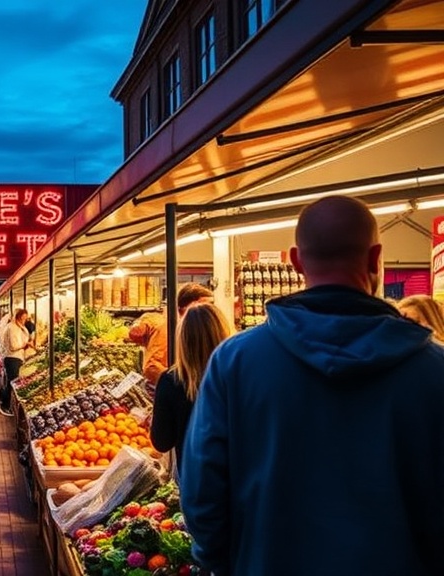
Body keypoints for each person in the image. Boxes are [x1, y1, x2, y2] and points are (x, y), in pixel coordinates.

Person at [181, 196, 444, 576]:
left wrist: (226, 561)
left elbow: (202, 492)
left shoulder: (235, 362)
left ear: (296, 261)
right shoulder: (433, 371)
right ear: (375, 259)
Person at [148, 303, 231, 477]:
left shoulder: (171, 381)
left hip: (194, 477)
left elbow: (162, 442)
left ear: (182, 339)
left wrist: (154, 418)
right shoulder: (240, 375)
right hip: (239, 473)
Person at [127, 283, 214, 396]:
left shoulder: (193, 329)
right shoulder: (167, 327)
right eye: (205, 305)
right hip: (169, 390)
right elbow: (151, 366)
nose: (209, 311)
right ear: (185, 308)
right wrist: (178, 386)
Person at [0, 308, 34, 417]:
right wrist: (25, 344)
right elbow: (14, 346)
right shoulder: (12, 328)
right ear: (18, 317)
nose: (24, 321)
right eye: (23, 318)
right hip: (12, 358)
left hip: (16, 357)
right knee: (12, 382)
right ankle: (5, 404)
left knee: (12, 381)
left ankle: (4, 398)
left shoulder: (18, 326)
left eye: (25, 318)